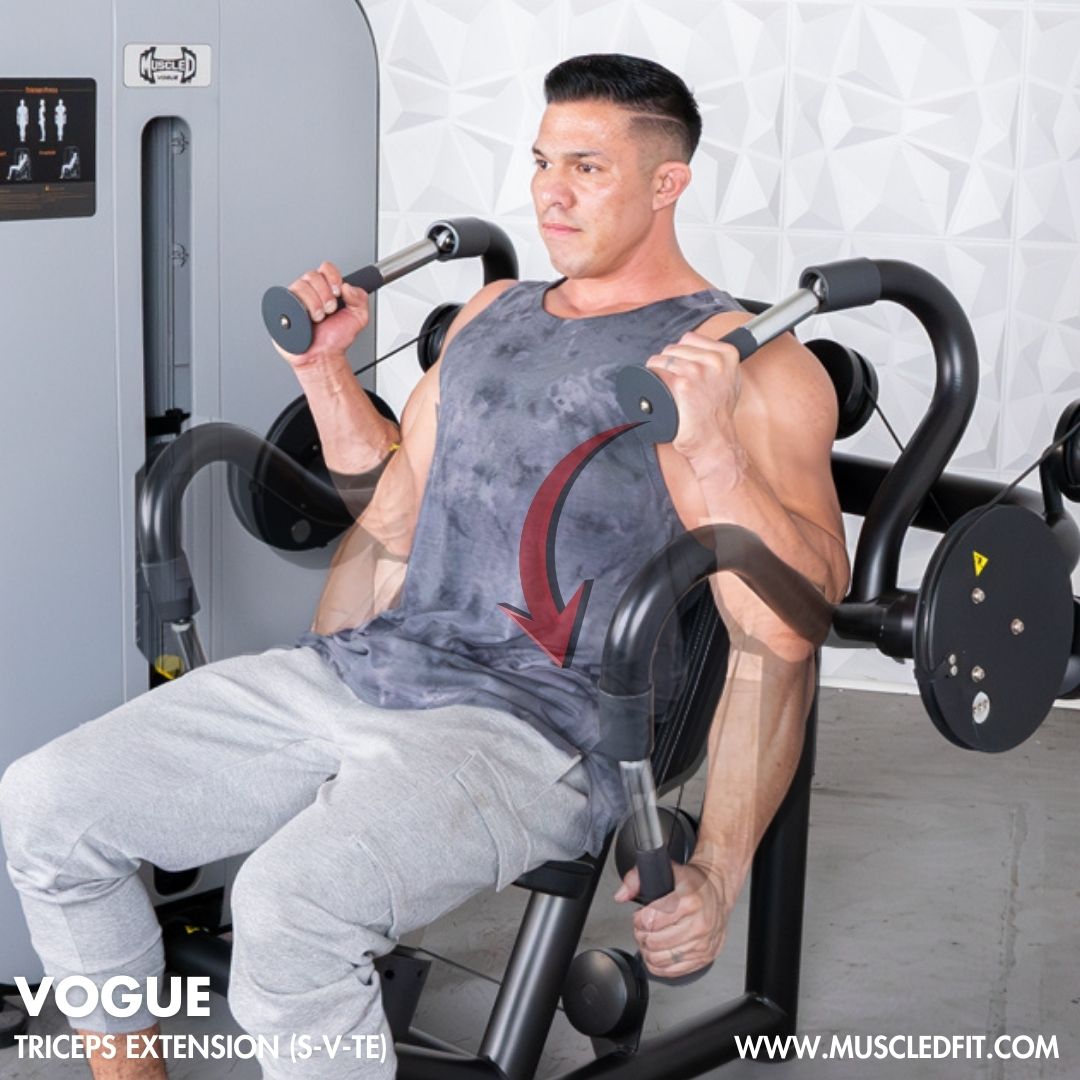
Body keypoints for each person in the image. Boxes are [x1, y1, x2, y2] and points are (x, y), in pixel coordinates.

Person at [0, 54, 848, 1079]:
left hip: (537, 729)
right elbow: (392, 516)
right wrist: (323, 372)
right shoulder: (495, 317)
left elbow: (788, 633)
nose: (551, 192)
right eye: (542, 162)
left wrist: (716, 867)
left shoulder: (752, 364)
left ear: (669, 183)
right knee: (45, 805)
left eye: (587, 168)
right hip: (370, 671)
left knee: (289, 908)